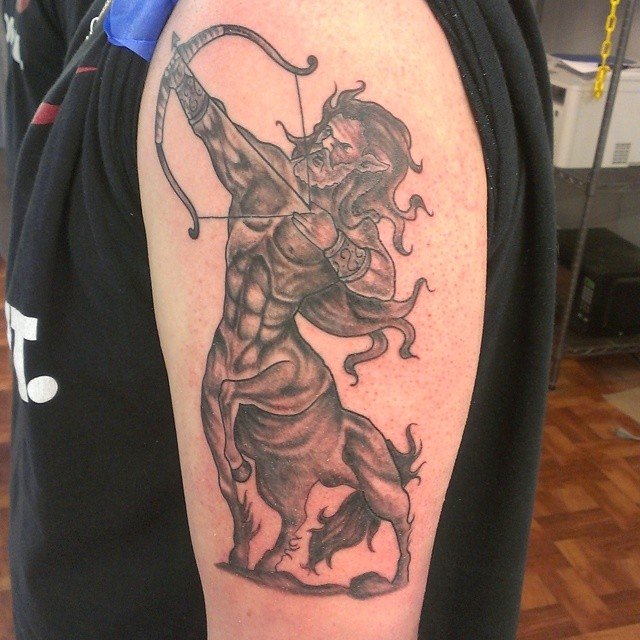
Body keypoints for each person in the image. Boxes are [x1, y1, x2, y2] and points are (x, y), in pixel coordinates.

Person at [4, 0, 556, 638]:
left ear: (364, 171)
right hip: (215, 368)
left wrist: (337, 245)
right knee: (230, 446)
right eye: (324, 134)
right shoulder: (265, 179)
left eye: (338, 148)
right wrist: (186, 82)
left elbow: (378, 281)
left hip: (285, 374)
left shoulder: (324, 19)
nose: (320, 146)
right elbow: (217, 132)